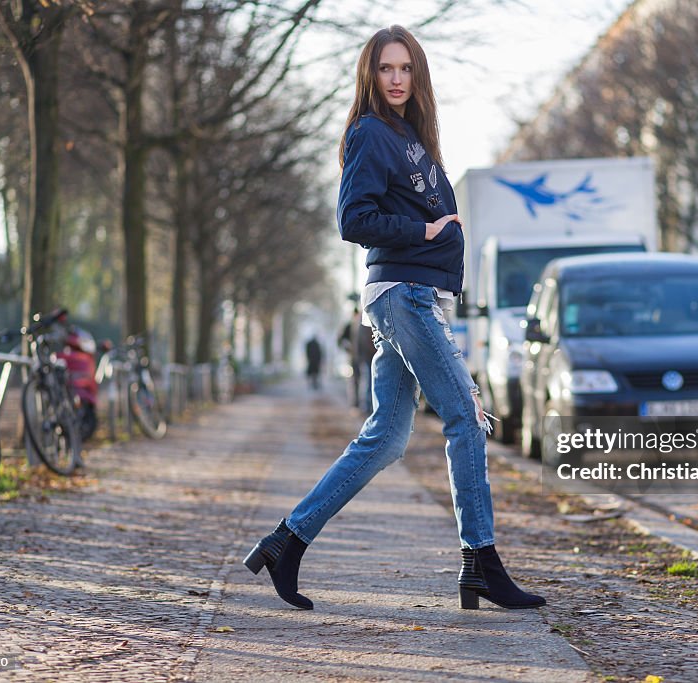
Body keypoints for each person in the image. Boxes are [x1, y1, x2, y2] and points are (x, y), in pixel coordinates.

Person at [244, 25, 544, 612]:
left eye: (406, 68)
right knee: (463, 418)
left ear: (418, 74)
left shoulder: (411, 138)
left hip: (419, 297)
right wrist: (423, 231)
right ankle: (479, 561)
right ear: (371, 75)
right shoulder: (369, 134)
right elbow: (352, 219)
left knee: (385, 438)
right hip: (403, 294)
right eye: (387, 69)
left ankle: (287, 542)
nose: (398, 78)